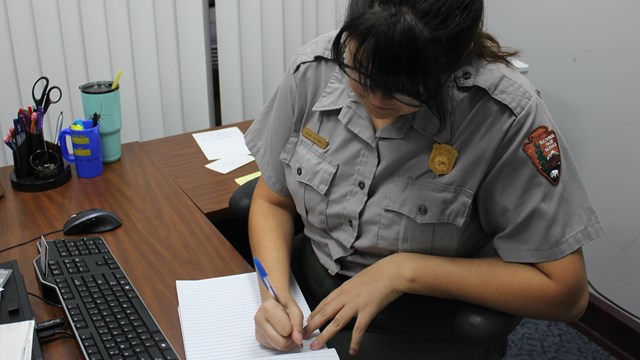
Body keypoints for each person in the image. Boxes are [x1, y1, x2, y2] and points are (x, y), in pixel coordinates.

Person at [244, 0, 604, 358]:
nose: (375, 98)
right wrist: (275, 296)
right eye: (361, 73)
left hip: (419, 325)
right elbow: (272, 199)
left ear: (451, 64)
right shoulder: (314, 70)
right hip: (309, 302)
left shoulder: (505, 115)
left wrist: (405, 271)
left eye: (404, 87)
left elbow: (567, 292)